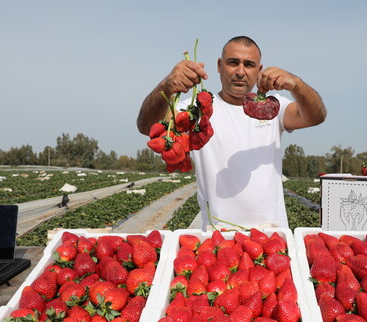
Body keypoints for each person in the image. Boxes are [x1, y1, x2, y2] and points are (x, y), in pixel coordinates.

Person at [137, 36, 326, 230]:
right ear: (219, 66)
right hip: (218, 236)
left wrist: (296, 84)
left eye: (249, 64)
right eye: (233, 62)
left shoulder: (271, 108)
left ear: (259, 70)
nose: (240, 71)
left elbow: (316, 116)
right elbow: (146, 125)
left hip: (271, 233)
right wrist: (166, 86)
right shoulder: (196, 109)